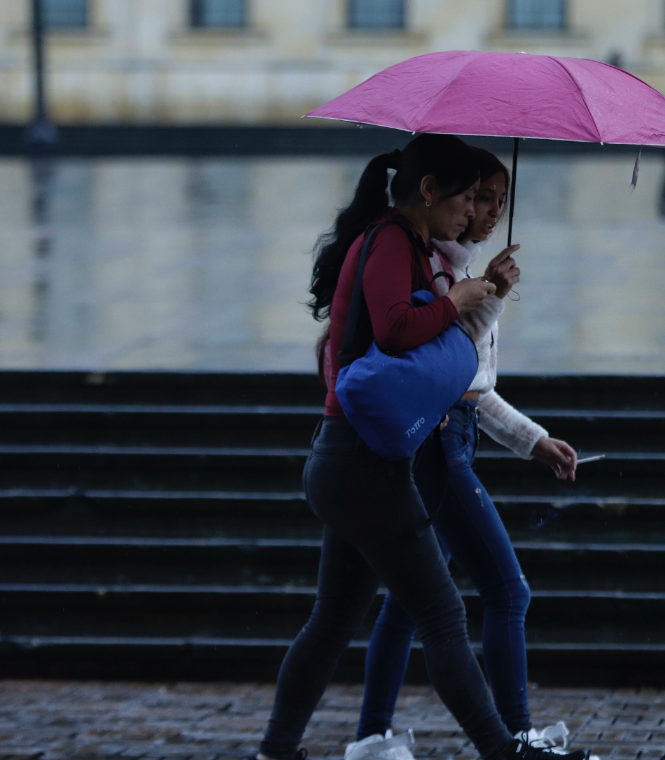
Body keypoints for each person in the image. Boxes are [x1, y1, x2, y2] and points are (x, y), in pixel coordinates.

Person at [250, 133, 590, 760]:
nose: (470, 213)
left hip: (350, 462)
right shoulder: (388, 241)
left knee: (332, 622)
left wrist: (469, 297)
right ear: (428, 191)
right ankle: (501, 747)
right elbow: (398, 330)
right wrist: (461, 298)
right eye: (465, 198)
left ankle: (277, 749)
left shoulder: (404, 244)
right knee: (440, 614)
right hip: (362, 465)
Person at [349, 147, 583, 760]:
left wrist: (533, 440)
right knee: (507, 592)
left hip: (451, 440)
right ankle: (515, 734)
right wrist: (491, 296)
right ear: (440, 195)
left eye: (499, 202)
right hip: (441, 447)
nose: (485, 212)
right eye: (479, 198)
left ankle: (372, 735)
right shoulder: (443, 272)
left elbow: (477, 388)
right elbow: (456, 372)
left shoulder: (463, 267)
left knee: (408, 602)